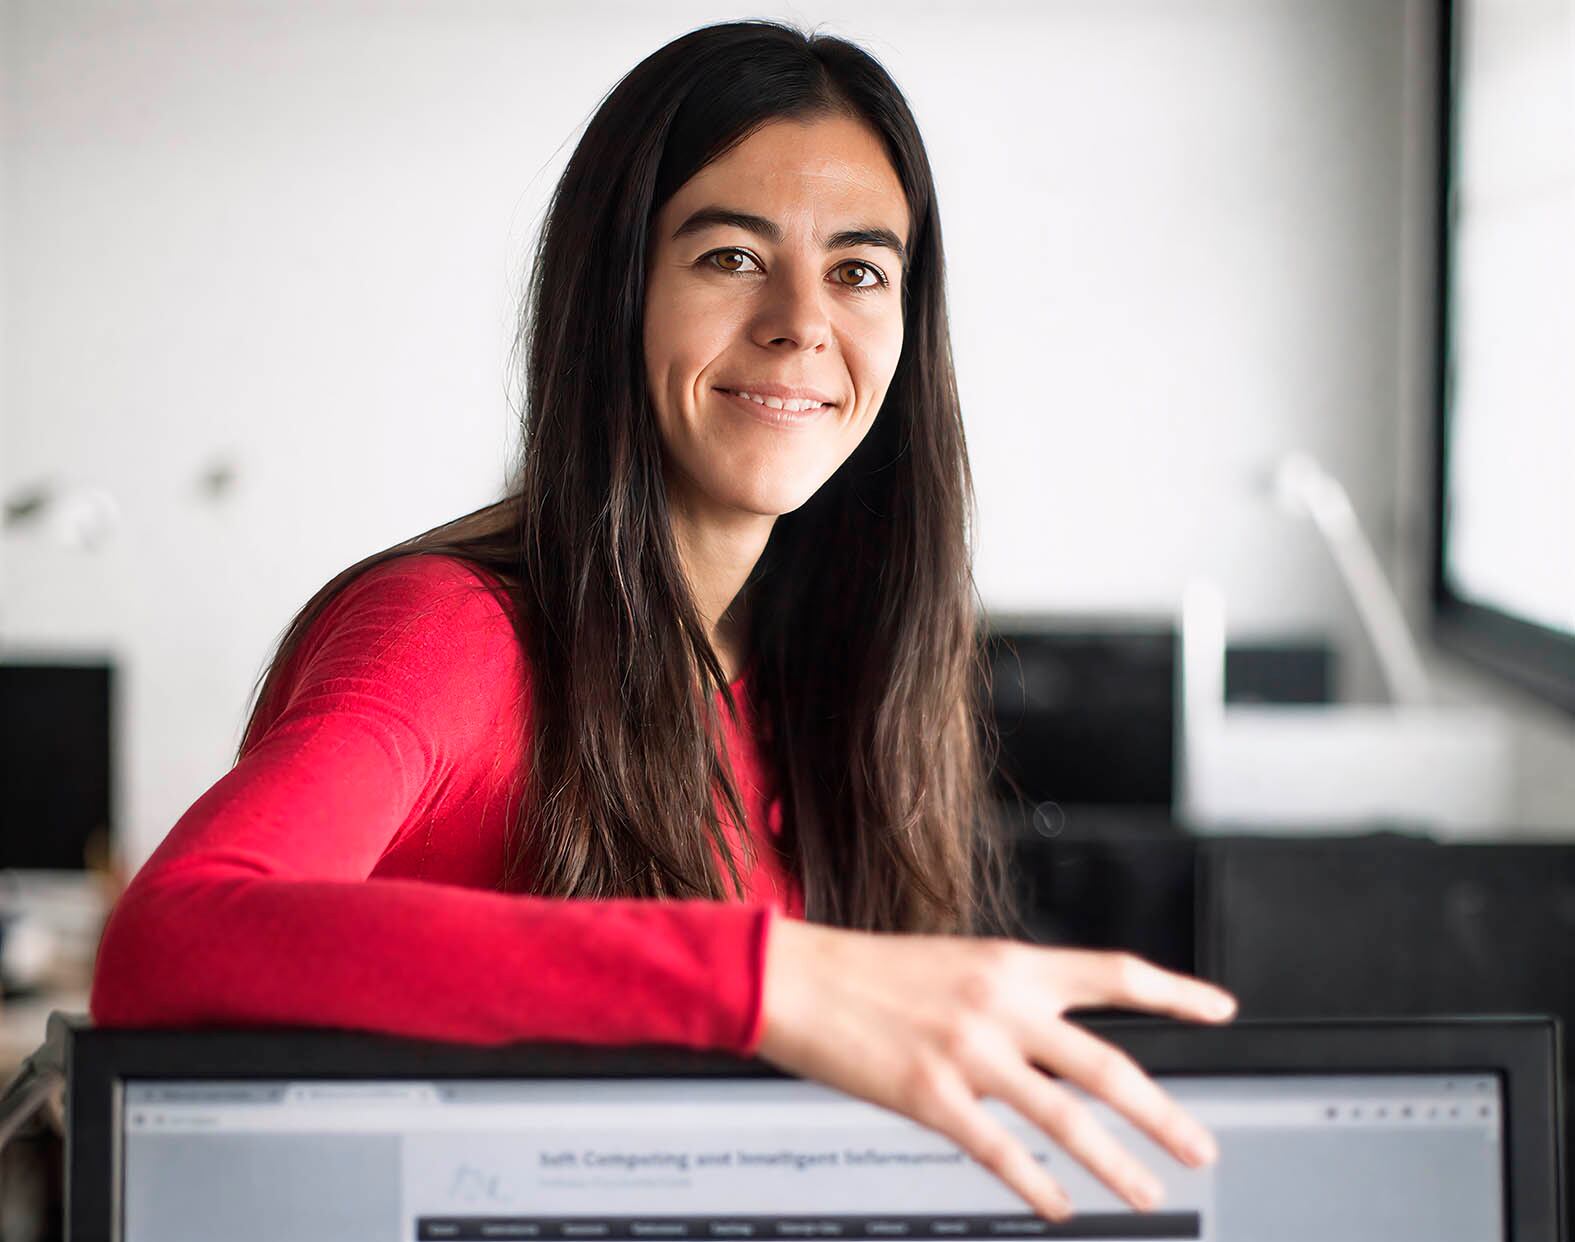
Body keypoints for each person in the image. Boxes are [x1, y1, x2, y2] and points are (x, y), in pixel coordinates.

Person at [89, 19, 1238, 1222]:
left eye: (858, 270)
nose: (803, 320)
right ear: (617, 291)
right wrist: (766, 981)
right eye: (732, 257)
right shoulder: (451, 635)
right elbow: (171, 939)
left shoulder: (822, 674)